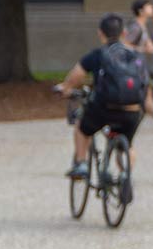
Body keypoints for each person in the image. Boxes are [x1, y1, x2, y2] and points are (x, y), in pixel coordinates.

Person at [58, 13, 151, 188]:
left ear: (100, 33)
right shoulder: (137, 57)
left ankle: (81, 164)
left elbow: (77, 75)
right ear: (124, 33)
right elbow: (144, 85)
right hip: (131, 111)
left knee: (82, 128)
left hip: (104, 108)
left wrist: (66, 88)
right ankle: (125, 175)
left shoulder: (98, 55)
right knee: (127, 145)